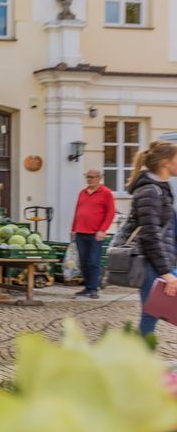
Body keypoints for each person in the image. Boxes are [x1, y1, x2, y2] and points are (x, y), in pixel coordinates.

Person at [115, 141, 177, 337]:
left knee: (151, 315)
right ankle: (138, 363)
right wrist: (166, 273)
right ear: (166, 162)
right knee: (150, 315)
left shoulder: (161, 188)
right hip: (152, 263)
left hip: (164, 261)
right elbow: (150, 235)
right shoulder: (150, 191)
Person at [70, 168, 116, 299]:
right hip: (80, 232)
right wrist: (73, 229)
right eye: (87, 176)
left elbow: (110, 213)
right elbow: (77, 212)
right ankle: (87, 287)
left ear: (99, 178)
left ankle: (94, 288)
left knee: (94, 262)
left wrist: (103, 230)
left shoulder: (106, 193)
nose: (89, 179)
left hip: (96, 234)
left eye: (92, 177)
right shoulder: (82, 193)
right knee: (84, 262)